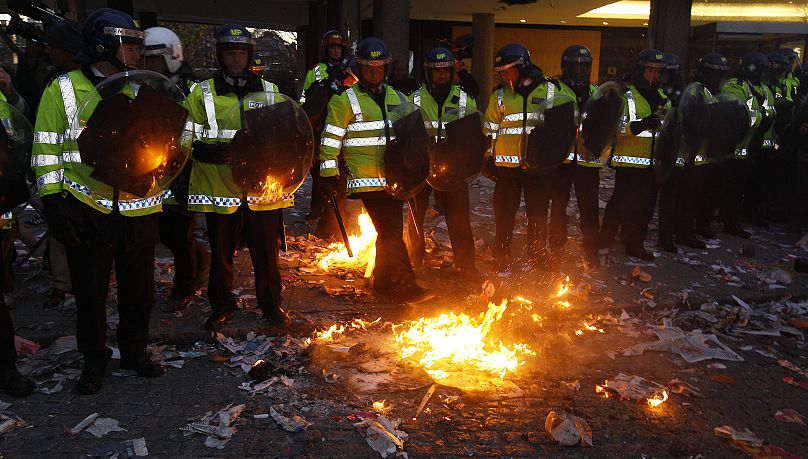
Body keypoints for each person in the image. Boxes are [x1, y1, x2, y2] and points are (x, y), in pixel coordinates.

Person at [31, 8, 166, 395]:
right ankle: (94, 360)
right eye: (129, 45)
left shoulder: (141, 86)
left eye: (138, 46)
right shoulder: (64, 89)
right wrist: (54, 203)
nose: (136, 54)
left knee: (139, 292)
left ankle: (135, 352)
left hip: (139, 207)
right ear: (104, 46)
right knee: (90, 294)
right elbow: (46, 149)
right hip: (86, 206)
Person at [186, 24, 291, 331]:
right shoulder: (202, 93)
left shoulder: (269, 91)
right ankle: (221, 305)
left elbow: (284, 134)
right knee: (221, 252)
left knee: (266, 251)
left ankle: (271, 305)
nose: (236, 59)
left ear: (249, 56)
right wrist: (201, 149)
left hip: (262, 185)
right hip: (219, 184)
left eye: (241, 53)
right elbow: (182, 135)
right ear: (220, 56)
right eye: (230, 53)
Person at [319, 37, 434, 304]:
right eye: (369, 67)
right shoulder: (344, 100)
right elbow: (330, 139)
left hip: (392, 178)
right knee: (391, 231)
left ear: (385, 68)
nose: (374, 72)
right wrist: (328, 173)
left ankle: (382, 282)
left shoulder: (397, 97)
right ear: (359, 68)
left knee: (388, 232)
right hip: (364, 178)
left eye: (379, 67)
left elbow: (411, 136)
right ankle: (406, 284)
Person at [142, 26, 210, 312]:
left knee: (179, 232)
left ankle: (184, 286)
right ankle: (200, 259)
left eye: (153, 59)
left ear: (171, 57)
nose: (148, 64)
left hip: (183, 169)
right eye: (145, 59)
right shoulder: (142, 84)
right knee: (163, 231)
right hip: (152, 166)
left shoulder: (192, 90)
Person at [484, 43, 567, 273]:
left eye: (508, 71)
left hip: (538, 167)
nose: (504, 77)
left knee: (538, 214)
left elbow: (563, 126)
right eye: (501, 73)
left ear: (523, 67)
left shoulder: (550, 91)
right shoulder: (500, 95)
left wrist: (555, 158)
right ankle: (501, 254)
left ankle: (538, 255)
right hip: (507, 168)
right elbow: (490, 128)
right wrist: (489, 156)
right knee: (504, 215)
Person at [405, 47, 481, 281]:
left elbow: (472, 135)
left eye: (445, 70)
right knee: (415, 217)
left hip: (452, 166)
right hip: (421, 165)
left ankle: (466, 265)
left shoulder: (465, 99)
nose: (441, 75)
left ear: (451, 72)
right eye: (437, 71)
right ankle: (413, 263)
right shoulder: (414, 99)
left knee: (459, 217)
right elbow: (406, 133)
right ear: (428, 73)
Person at [599, 49, 670, 261]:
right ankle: (604, 241)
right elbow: (617, 128)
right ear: (640, 70)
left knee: (643, 208)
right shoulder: (627, 96)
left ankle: (634, 244)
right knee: (619, 204)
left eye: (657, 71)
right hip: (629, 162)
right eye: (649, 70)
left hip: (652, 164)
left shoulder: (663, 98)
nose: (653, 75)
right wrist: (640, 125)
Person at [39, 19, 82, 309]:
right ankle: (63, 285)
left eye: (53, 46)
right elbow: (46, 141)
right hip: (63, 179)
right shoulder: (55, 84)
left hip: (87, 182)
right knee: (61, 237)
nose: (48, 51)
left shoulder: (75, 83)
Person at [549, 44, 601, 268]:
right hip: (561, 160)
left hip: (588, 160)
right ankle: (556, 247)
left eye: (584, 66)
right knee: (558, 206)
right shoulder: (554, 90)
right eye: (575, 66)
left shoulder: (596, 92)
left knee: (589, 208)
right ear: (565, 67)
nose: (580, 71)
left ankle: (591, 250)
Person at [301, 56, 358, 239]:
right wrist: (313, 152)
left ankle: (329, 231)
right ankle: (328, 234)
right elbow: (309, 123)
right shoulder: (322, 91)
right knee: (332, 192)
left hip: (334, 150)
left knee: (337, 193)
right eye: (352, 80)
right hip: (321, 151)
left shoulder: (337, 90)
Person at [657, 52, 707, 252]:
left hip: (683, 152)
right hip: (666, 152)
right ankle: (665, 237)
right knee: (668, 198)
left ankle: (683, 233)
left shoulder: (687, 94)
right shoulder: (658, 93)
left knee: (685, 197)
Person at [718, 52, 768, 239]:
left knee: (738, 189)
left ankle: (732, 220)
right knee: (729, 189)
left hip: (747, 147)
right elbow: (738, 113)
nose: (764, 75)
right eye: (762, 71)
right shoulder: (736, 86)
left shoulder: (759, 88)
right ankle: (728, 222)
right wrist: (762, 118)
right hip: (732, 149)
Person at [692, 53, 732, 240]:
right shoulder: (696, 92)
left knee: (711, 192)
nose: (715, 78)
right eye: (712, 73)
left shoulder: (721, 92)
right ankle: (688, 227)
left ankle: (703, 224)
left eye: (720, 74)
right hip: (697, 152)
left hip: (716, 151)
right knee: (694, 194)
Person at [300, 30, 346, 102]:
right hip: (322, 108)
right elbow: (304, 96)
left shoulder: (349, 70)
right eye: (332, 48)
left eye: (339, 48)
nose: (336, 51)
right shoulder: (315, 70)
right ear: (326, 50)